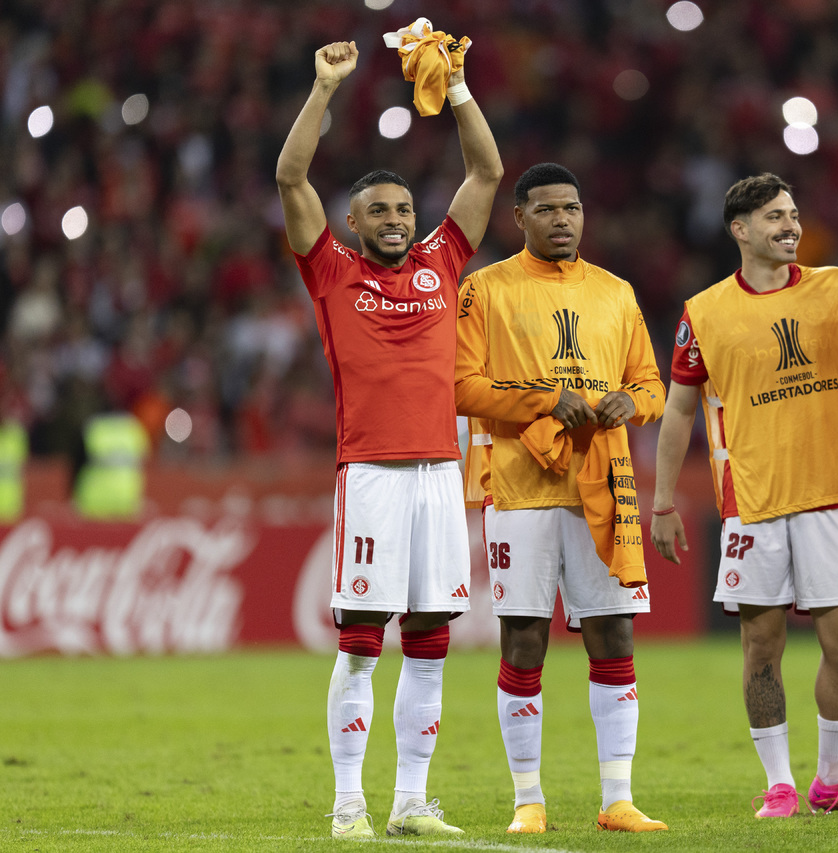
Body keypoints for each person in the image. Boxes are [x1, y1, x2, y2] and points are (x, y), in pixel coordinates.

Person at [276, 36, 502, 839]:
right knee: (363, 643)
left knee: (431, 640)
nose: (397, 221)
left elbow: (486, 174)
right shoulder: (332, 270)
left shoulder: (444, 260)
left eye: (404, 210)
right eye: (379, 211)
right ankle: (349, 802)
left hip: (441, 475)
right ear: (353, 222)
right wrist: (323, 89)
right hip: (370, 472)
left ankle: (411, 801)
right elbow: (290, 178)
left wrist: (461, 86)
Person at [650, 173, 838, 818]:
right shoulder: (704, 312)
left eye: (793, 214)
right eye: (774, 217)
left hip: (828, 492)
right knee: (762, 647)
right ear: (740, 230)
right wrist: (664, 501)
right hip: (753, 501)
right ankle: (780, 782)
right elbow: (678, 411)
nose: (790, 226)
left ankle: (834, 778)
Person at [454, 162, 668, 834]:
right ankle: (528, 800)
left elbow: (653, 385)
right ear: (519, 216)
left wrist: (631, 401)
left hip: (603, 484)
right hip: (521, 488)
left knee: (613, 632)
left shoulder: (616, 292)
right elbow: (461, 386)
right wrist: (547, 400)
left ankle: (618, 799)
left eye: (571, 208)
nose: (562, 220)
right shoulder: (484, 288)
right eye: (546, 209)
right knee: (523, 637)